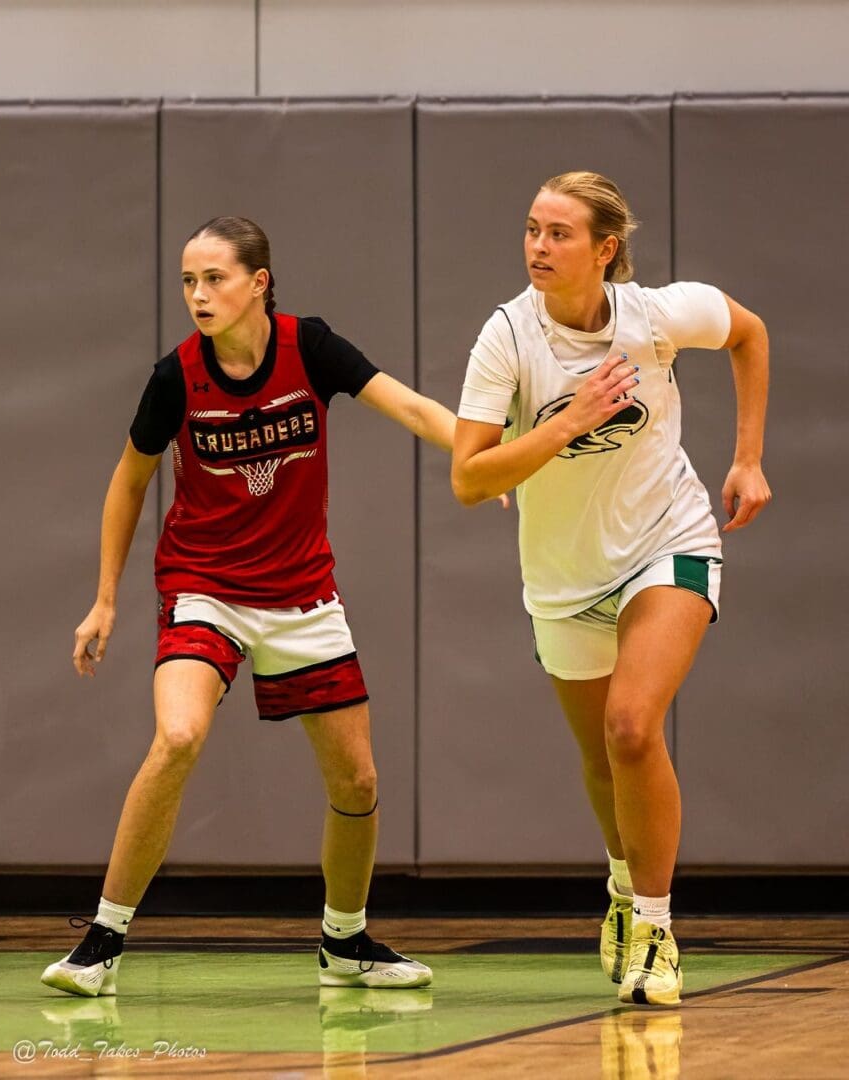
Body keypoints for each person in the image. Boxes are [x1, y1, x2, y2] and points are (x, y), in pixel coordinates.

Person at [42, 215, 458, 997]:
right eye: (188, 281)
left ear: (259, 282)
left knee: (358, 785)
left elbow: (412, 409)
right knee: (178, 734)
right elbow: (129, 480)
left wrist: (489, 457)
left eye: (215, 279)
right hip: (205, 588)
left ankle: (345, 942)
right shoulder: (177, 377)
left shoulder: (312, 349)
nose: (198, 295)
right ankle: (100, 942)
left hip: (302, 594)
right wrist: (105, 600)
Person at [451, 172, 771, 1006]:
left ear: (605, 250)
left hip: (668, 541)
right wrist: (565, 422)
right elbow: (470, 480)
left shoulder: (657, 318)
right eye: (530, 230)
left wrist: (747, 456)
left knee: (634, 727)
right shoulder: (507, 338)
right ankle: (624, 887)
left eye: (558, 234)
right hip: (562, 576)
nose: (537, 248)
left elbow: (751, 333)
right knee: (601, 760)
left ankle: (658, 931)